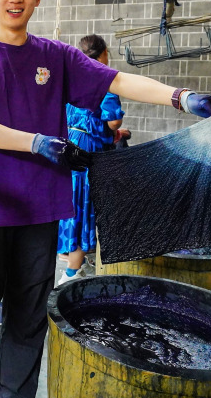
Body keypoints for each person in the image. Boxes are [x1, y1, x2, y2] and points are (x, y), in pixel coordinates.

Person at [0, 0, 211, 398]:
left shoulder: (55, 56)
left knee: (28, 319)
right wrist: (37, 142)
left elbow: (118, 81)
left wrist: (184, 97)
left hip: (40, 210)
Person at [56, 34, 125, 286]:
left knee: (71, 204)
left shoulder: (72, 78)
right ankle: (72, 272)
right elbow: (113, 121)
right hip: (90, 151)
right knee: (83, 207)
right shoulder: (104, 78)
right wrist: (115, 128)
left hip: (70, 144)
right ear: (103, 53)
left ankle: (74, 259)